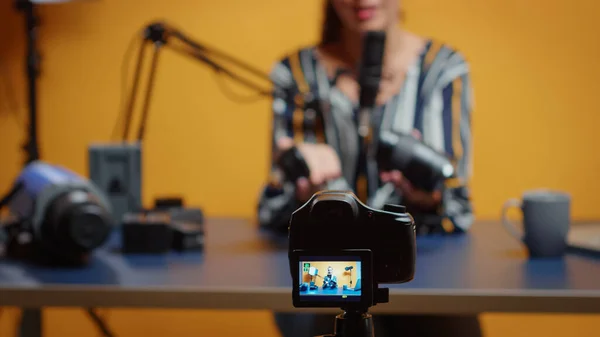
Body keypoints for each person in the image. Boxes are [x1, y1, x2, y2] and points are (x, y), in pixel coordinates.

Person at [257, 0, 479, 336]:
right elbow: (273, 210)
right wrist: (298, 181)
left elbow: (457, 203)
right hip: (327, 261)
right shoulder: (297, 73)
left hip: (423, 262)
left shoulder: (442, 69)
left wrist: (430, 196)